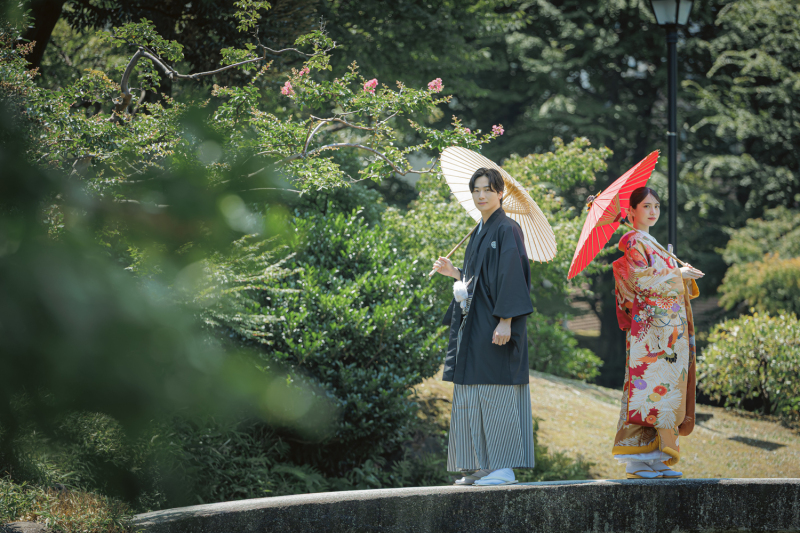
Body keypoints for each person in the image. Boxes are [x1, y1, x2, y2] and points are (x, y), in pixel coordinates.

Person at [432, 167, 535, 486]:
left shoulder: (508, 228)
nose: (481, 195)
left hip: (495, 325)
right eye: (476, 190)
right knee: (470, 391)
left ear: (501, 193)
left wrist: (506, 321)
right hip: (474, 323)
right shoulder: (479, 230)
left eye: (488, 190)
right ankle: (479, 465)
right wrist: (455, 273)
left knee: (494, 390)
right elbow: (480, 279)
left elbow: (512, 277)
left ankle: (503, 467)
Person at [611, 187, 704, 479]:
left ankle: (657, 457)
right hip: (648, 335)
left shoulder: (653, 243)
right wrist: (677, 275)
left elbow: (666, 285)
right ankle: (637, 461)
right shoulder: (633, 242)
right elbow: (639, 280)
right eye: (646, 206)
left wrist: (680, 272)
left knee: (666, 393)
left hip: (667, 335)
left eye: (656, 206)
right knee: (647, 391)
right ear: (631, 211)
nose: (652, 211)